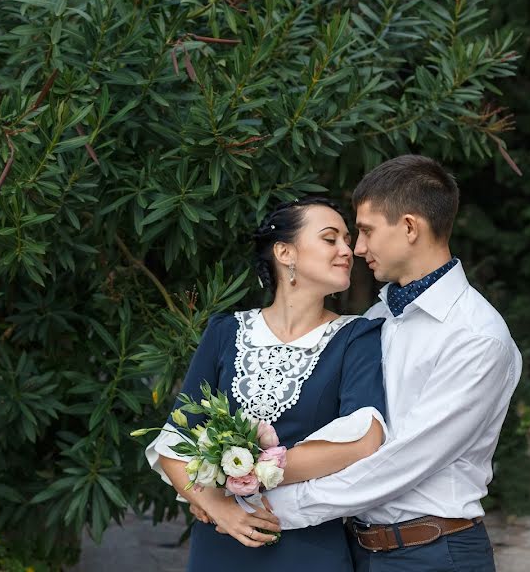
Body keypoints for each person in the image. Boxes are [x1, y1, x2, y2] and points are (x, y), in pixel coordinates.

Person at [250, 155, 523, 572]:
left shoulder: (476, 336)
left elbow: (399, 462)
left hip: (432, 554)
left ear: (410, 227)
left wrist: (268, 506)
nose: (357, 249)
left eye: (366, 231)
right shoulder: (376, 320)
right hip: (355, 549)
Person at [143, 196, 389, 571]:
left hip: (308, 544)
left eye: (347, 239)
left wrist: (245, 471)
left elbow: (364, 438)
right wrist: (216, 505)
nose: (348, 250)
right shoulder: (226, 331)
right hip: (221, 539)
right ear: (285, 252)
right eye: (330, 238)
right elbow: (175, 439)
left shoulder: (357, 336)